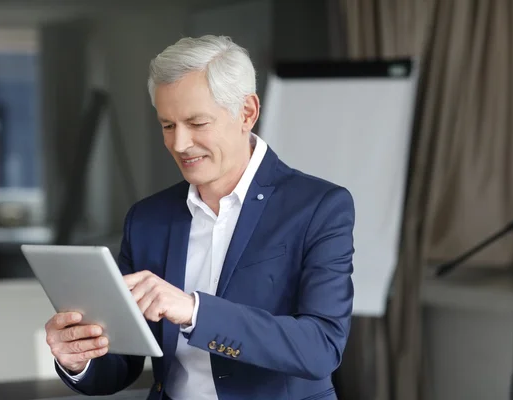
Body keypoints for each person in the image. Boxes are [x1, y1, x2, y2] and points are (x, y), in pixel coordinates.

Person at [44, 35, 355, 400]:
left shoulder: (319, 207)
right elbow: (122, 364)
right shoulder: (146, 220)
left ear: (247, 113)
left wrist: (194, 311)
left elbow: (321, 348)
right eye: (168, 125)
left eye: (196, 123)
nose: (179, 144)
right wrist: (78, 358)